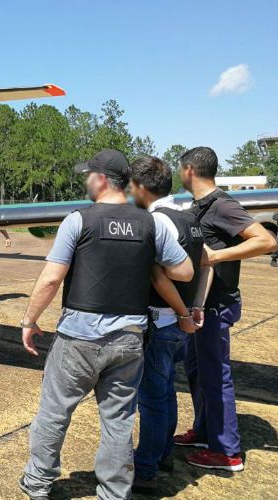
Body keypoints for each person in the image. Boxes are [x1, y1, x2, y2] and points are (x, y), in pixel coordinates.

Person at [19, 149, 194, 500]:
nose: (86, 181)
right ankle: (114, 491)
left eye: (88, 175)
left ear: (100, 179)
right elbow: (185, 271)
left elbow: (52, 279)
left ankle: (38, 483)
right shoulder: (151, 224)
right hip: (129, 339)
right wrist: (150, 260)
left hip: (78, 338)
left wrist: (30, 320)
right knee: (118, 421)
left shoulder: (78, 220)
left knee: (55, 412)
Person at [174, 147, 277, 471]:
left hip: (215, 307)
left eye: (181, 170)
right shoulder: (202, 207)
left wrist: (216, 257)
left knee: (216, 376)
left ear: (189, 170)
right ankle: (205, 431)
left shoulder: (222, 205)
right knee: (196, 370)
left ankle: (227, 451)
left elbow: (266, 241)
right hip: (199, 306)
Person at [128, 156, 213, 492]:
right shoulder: (188, 217)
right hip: (180, 325)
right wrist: (196, 307)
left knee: (151, 398)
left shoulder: (157, 222)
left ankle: (145, 468)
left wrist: (182, 311)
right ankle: (163, 455)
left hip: (163, 323)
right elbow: (208, 262)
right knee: (165, 393)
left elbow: (158, 276)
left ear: (140, 187)